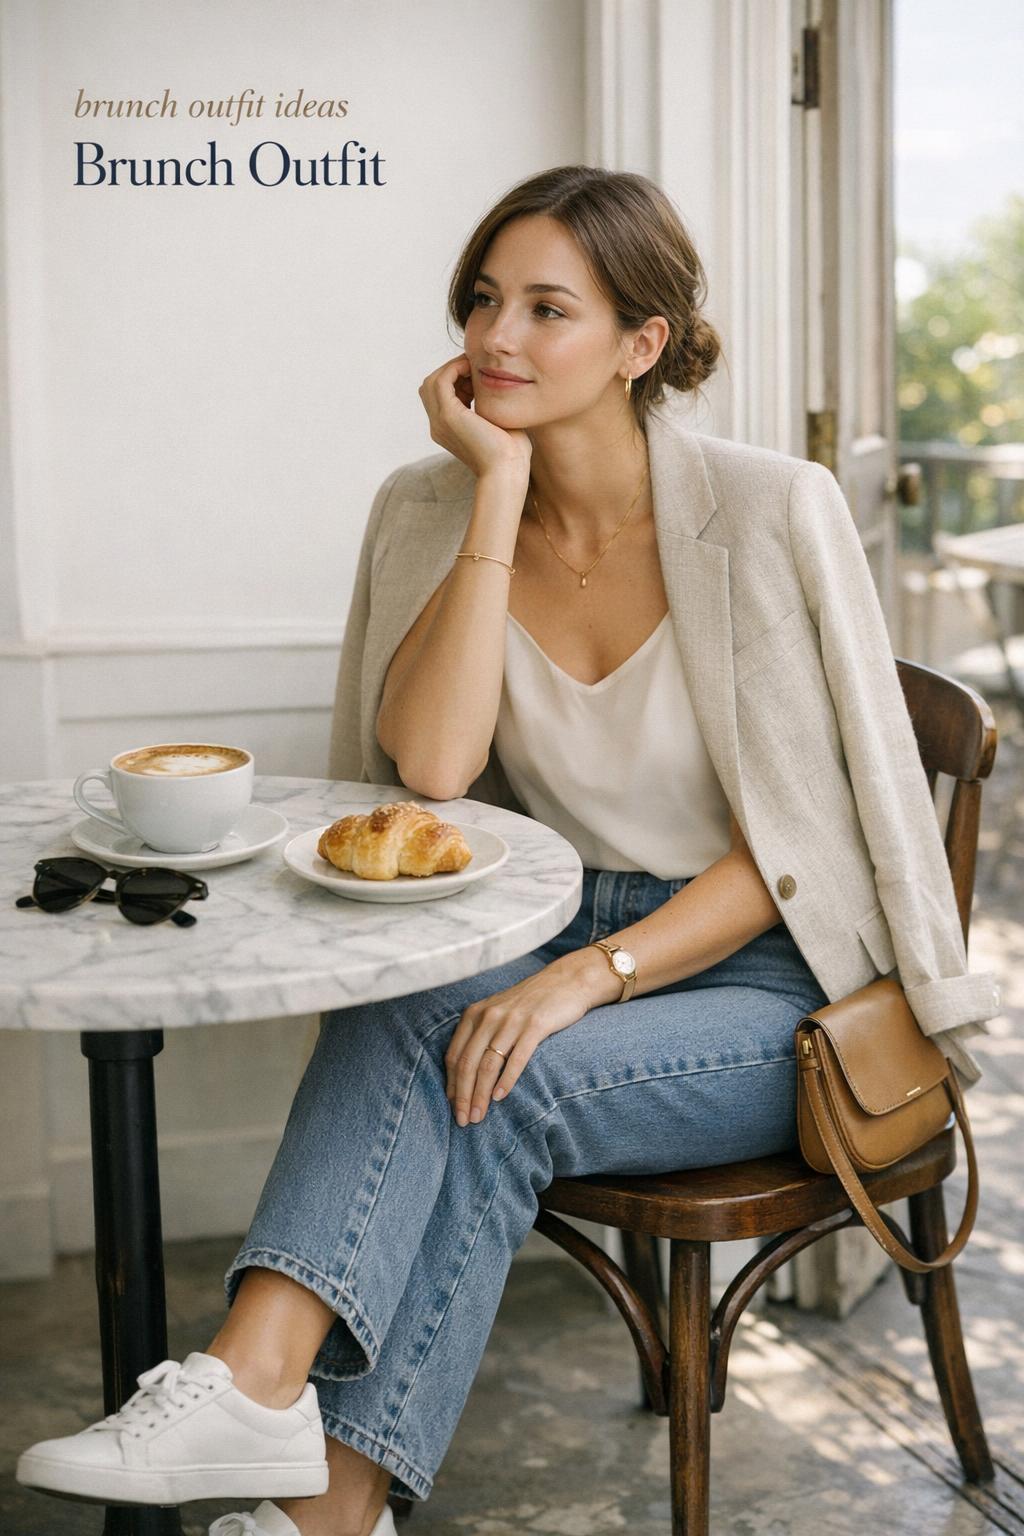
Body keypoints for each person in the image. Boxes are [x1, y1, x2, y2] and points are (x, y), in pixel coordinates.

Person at [16, 164, 999, 1536]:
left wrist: (585, 976)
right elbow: (427, 771)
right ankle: (261, 1409)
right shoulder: (430, 504)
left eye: (549, 309)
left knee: (506, 1078)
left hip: (764, 974)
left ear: (641, 345)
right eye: (484, 301)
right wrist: (495, 493)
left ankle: (301, 1482)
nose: (498, 338)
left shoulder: (773, 510)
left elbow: (801, 846)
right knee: (416, 1005)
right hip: (534, 917)